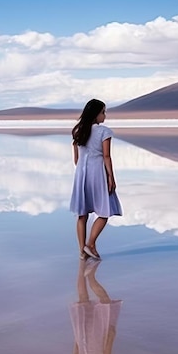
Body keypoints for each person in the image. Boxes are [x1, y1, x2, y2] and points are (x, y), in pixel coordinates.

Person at [69, 99, 122, 260]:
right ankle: (90, 244)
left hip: (81, 174)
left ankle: (82, 252)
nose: (105, 115)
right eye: (103, 112)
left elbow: (76, 159)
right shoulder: (104, 131)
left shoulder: (78, 130)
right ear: (96, 114)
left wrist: (82, 172)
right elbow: (106, 156)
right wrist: (111, 177)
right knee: (104, 211)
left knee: (82, 214)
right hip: (97, 173)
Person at [69, 258, 122, 354]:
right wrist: (78, 336)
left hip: (98, 342)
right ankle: (82, 263)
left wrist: (111, 337)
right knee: (83, 300)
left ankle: (91, 276)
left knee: (105, 302)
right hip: (83, 340)